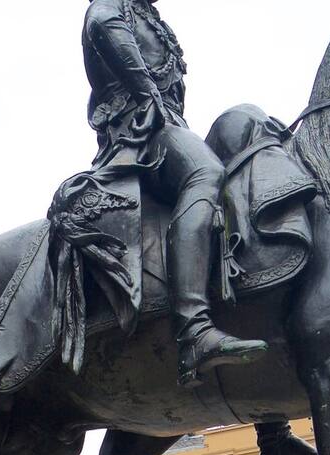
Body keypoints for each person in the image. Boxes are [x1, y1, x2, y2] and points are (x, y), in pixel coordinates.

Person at [81, 0, 265, 388]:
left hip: (168, 131)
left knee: (244, 149)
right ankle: (194, 330)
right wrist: (146, 94)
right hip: (135, 139)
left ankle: (273, 435)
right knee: (206, 173)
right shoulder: (109, 8)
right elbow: (101, 23)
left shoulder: (148, 16)